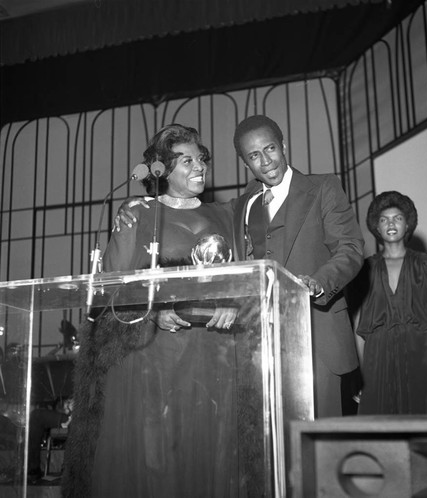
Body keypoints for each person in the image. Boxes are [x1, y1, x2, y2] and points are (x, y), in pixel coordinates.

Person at [115, 115, 365, 417]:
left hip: (317, 338)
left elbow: (350, 250)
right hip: (256, 346)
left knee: (317, 446)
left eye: (271, 149)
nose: (266, 161)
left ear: (283, 145)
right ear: (245, 163)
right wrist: (134, 205)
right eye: (254, 156)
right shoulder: (243, 204)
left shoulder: (323, 187)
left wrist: (318, 282)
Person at [62, 125, 239, 498]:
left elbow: (242, 276)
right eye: (186, 160)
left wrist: (231, 303)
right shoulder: (137, 215)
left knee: (205, 451)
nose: (199, 166)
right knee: (155, 459)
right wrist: (153, 310)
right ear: (162, 170)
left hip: (210, 355)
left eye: (201, 158)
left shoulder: (225, 214)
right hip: (152, 358)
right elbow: (110, 287)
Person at [353, 190, 427, 415]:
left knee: (422, 425)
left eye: (397, 218)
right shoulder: (364, 269)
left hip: (422, 354)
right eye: (384, 219)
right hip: (377, 357)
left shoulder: (425, 264)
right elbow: (358, 329)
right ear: (376, 227)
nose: (391, 223)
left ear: (408, 225)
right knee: (380, 429)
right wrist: (359, 374)